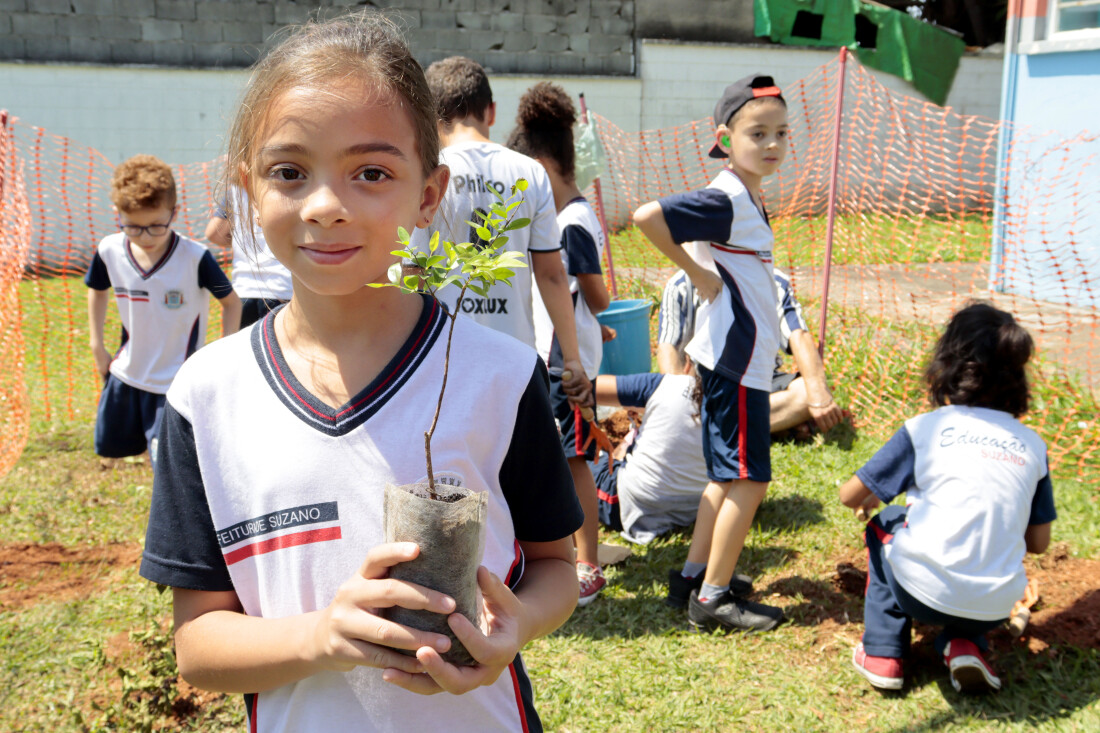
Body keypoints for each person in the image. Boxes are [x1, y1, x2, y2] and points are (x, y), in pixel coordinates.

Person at [137, 13, 583, 733]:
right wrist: (324, 635)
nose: (325, 207)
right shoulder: (206, 396)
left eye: (371, 173)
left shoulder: (501, 374)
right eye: (289, 172)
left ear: (428, 195)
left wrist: (519, 622)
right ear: (249, 188)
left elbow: (554, 565)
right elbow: (197, 645)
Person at [633, 73, 789, 633]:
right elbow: (647, 216)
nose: (772, 144)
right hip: (736, 361)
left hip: (731, 357)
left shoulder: (744, 194)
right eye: (757, 133)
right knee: (750, 478)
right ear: (725, 138)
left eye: (781, 133)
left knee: (726, 476)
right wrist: (696, 274)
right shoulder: (727, 197)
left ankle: (693, 576)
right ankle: (713, 598)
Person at [842, 301, 1055, 694]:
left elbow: (849, 494)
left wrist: (872, 497)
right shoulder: (1034, 446)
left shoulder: (926, 428)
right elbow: (1039, 543)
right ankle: (965, 643)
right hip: (996, 607)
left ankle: (883, 652)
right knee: (984, 545)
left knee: (885, 524)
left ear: (947, 365)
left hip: (922, 594)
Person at [414, 56, 591, 407]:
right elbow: (552, 275)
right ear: (492, 111)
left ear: (432, 116)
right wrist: (572, 359)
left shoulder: (428, 175)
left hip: (441, 361)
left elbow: (413, 274)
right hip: (514, 362)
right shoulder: (530, 172)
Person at [506, 82, 612, 606]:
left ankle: (588, 563)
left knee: (575, 460)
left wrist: (596, 315)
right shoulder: (577, 216)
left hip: (561, 364)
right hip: (564, 357)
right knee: (566, 456)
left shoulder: (570, 224)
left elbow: (597, 294)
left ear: (543, 169)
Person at [85, 154, 240, 468]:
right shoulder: (109, 250)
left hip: (174, 383)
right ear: (118, 214)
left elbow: (231, 302)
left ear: (174, 213)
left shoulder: (195, 258)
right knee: (112, 445)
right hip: (127, 373)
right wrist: (96, 344)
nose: (145, 237)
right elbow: (97, 290)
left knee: (170, 468)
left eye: (156, 226)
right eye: (133, 227)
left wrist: (225, 352)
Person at [657, 267, 843, 435]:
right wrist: (678, 401)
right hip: (706, 385)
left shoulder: (773, 280)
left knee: (806, 393)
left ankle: (711, 426)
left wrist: (818, 391)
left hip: (762, 381)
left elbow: (798, 335)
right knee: (681, 404)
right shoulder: (679, 285)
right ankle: (775, 423)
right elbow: (668, 348)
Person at [204, 184, 294, 328]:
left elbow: (214, 233)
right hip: (283, 288)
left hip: (243, 291)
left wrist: (242, 243)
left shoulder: (236, 191)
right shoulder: (291, 186)